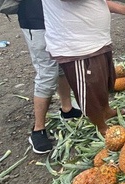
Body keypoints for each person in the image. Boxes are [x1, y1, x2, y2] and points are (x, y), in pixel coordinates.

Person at [41, 0, 125, 136]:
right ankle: (100, 126)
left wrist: (122, 9)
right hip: (78, 47)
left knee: (101, 83)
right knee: (89, 90)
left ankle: (106, 111)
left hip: (96, 41)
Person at [17, 0, 83, 154]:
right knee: (47, 74)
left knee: (62, 65)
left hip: (57, 19)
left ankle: (67, 109)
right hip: (36, 21)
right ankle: (38, 129)